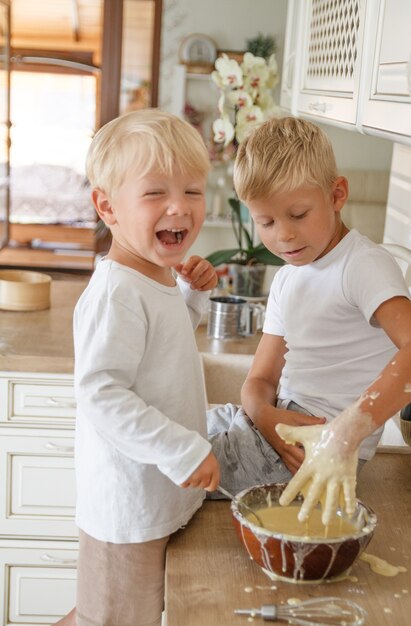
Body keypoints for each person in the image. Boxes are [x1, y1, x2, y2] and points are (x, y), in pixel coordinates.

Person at [57, 109, 220, 626]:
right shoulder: (118, 292)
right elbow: (102, 394)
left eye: (193, 191)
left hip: (154, 496)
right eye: (156, 193)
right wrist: (183, 449)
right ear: (107, 207)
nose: (180, 206)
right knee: (111, 620)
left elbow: (162, 349)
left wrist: (192, 296)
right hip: (125, 510)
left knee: (115, 614)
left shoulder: (155, 275)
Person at [231, 116, 411, 525]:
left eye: (298, 214)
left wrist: (345, 433)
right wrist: (264, 416)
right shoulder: (288, 279)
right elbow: (260, 381)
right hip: (278, 422)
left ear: (337, 195)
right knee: (182, 430)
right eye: (265, 222)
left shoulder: (362, 265)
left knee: (174, 466)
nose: (283, 235)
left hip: (319, 444)